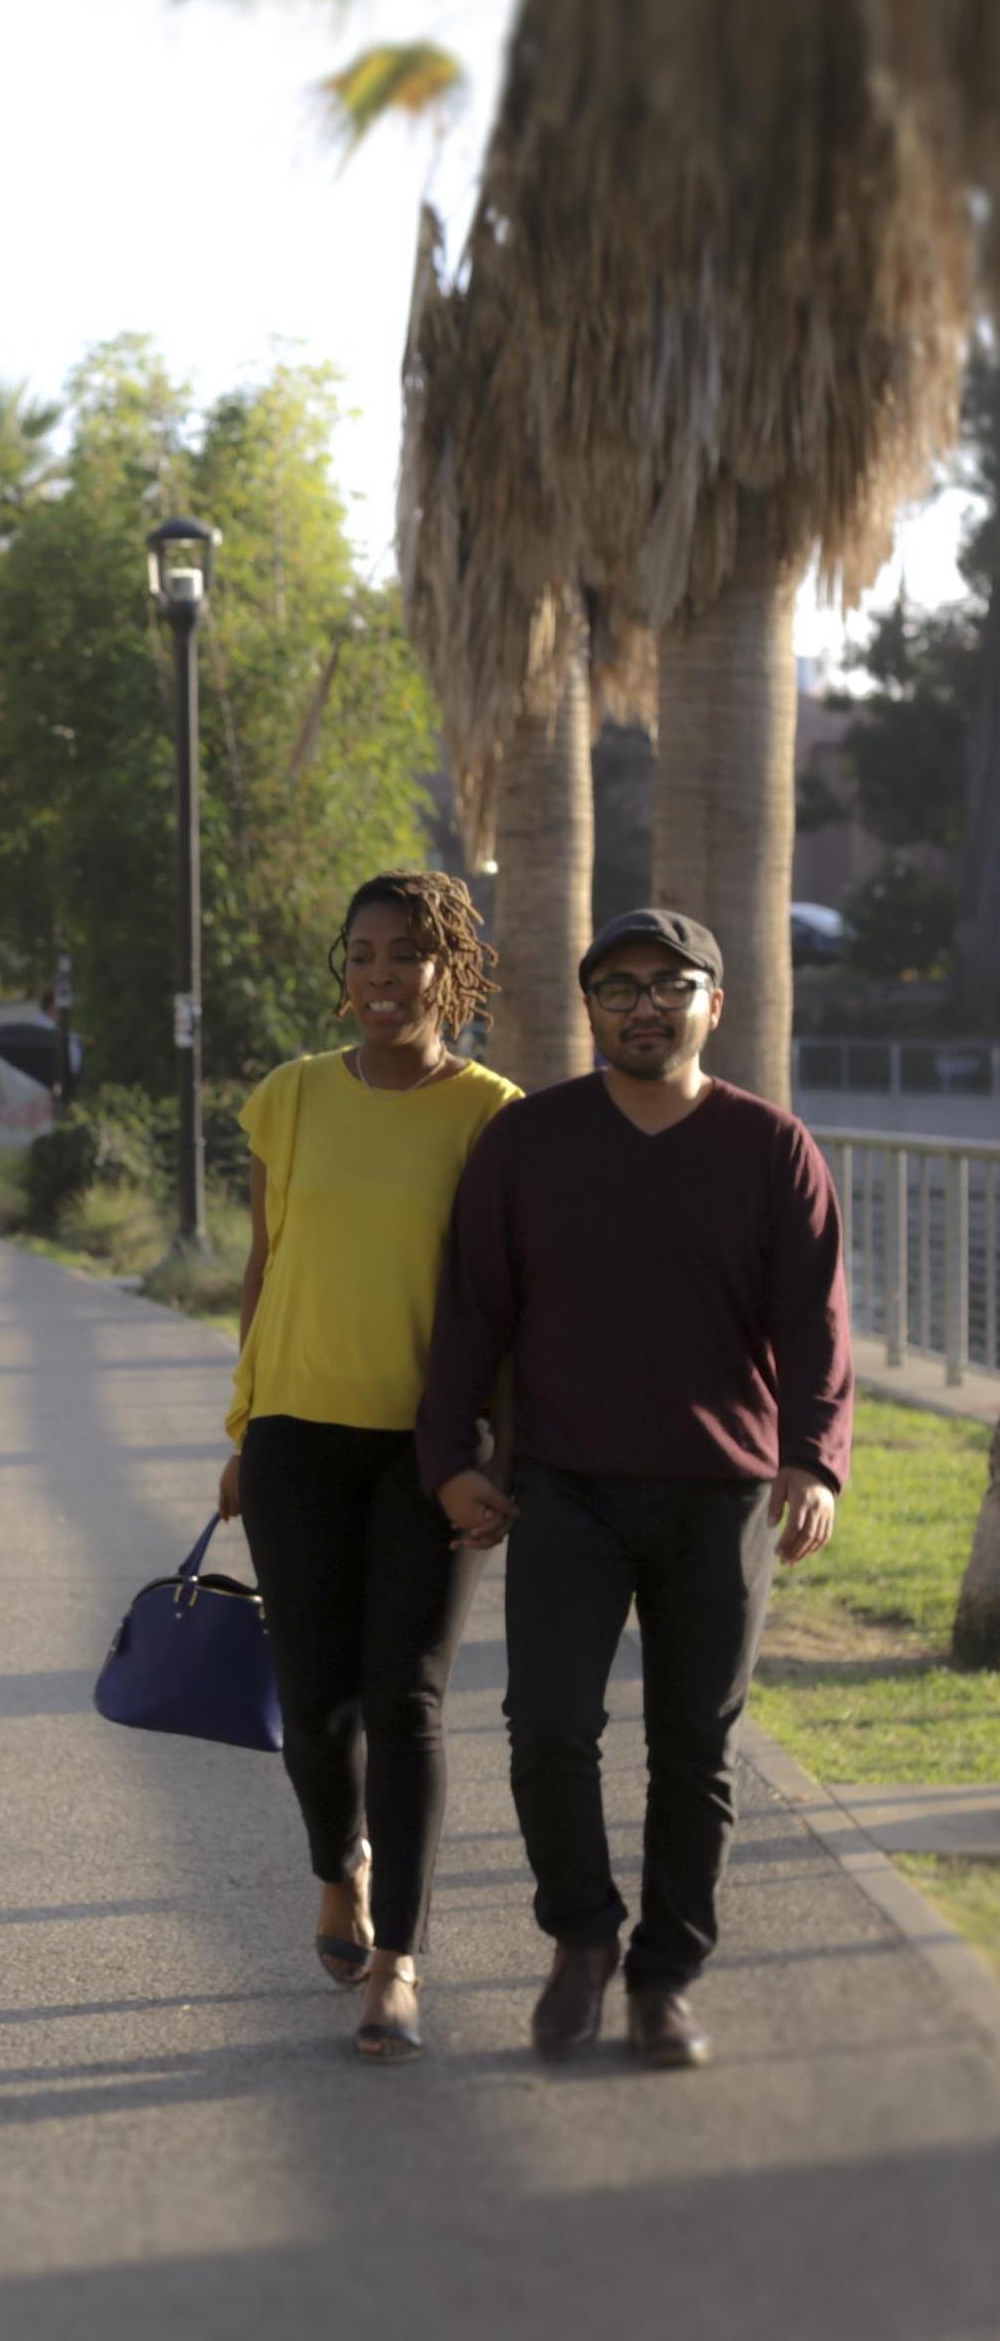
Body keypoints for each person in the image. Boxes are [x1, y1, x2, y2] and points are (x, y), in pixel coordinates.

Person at [418, 909, 851, 2071]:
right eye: (618, 987)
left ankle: (666, 1977)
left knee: (693, 1749)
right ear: (590, 1008)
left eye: (672, 984)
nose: (644, 1004)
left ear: (719, 1003)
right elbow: (472, 1312)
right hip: (567, 1485)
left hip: (723, 1493)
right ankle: (582, 1940)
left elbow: (814, 1327)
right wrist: (451, 1460)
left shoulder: (771, 1150)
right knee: (547, 1727)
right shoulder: (528, 1144)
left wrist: (815, 1460)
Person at [218, 871, 518, 2062]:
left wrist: (494, 1455)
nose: (382, 976)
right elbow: (263, 1272)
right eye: (363, 954)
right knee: (314, 1704)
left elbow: (505, 1304)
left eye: (408, 955)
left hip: (428, 1452)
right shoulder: (287, 1099)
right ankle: (339, 1866)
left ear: (454, 968)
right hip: (294, 1436)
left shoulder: (494, 1114)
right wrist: (243, 1433)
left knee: (405, 1700)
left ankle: (397, 1959)